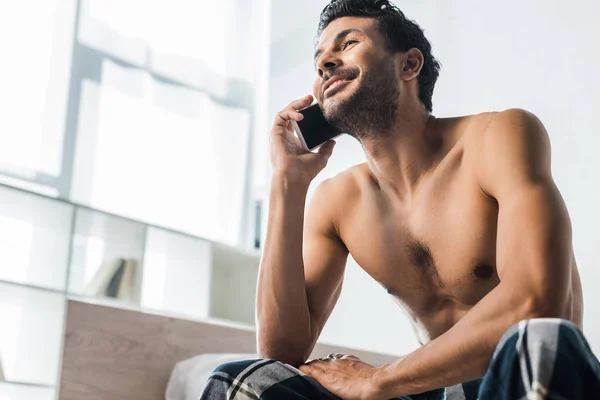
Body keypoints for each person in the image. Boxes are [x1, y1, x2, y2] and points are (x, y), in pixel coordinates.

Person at [201, 0, 600, 398]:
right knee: (240, 381)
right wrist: (286, 183)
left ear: (409, 65)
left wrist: (378, 380)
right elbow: (280, 352)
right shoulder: (339, 202)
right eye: (320, 59)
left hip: (515, 379)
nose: (326, 64)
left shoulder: (498, 137)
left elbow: (539, 305)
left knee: (537, 343)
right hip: (436, 391)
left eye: (348, 43)